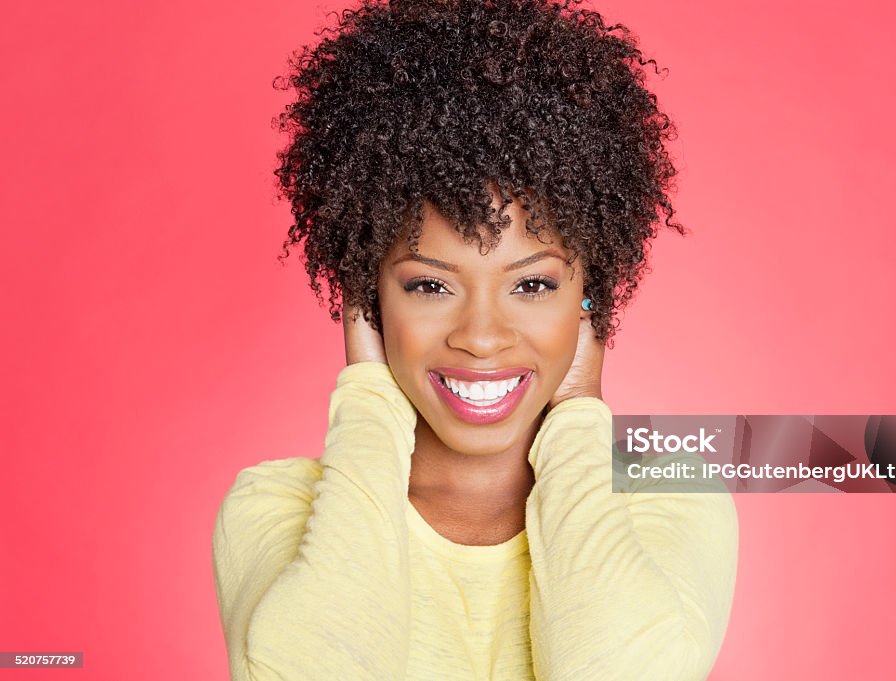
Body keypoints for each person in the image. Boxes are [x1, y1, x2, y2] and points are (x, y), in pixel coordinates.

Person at [212, 0, 739, 679]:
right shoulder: (275, 508)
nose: (482, 338)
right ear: (367, 298)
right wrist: (368, 400)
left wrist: (580, 411)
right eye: (431, 286)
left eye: (532, 285)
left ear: (592, 295)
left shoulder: (671, 496)